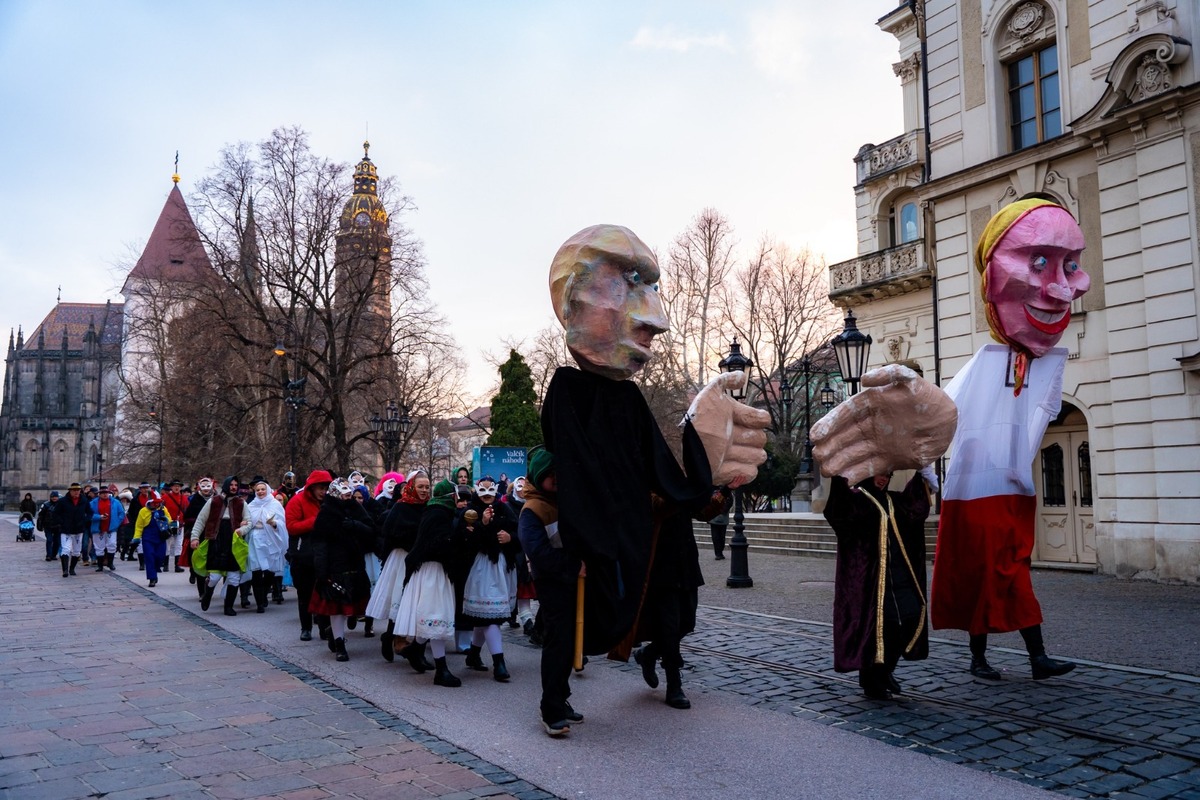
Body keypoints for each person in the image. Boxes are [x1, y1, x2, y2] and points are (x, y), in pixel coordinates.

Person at [541, 224, 770, 660]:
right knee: (563, 633)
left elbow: (665, 481)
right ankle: (556, 703)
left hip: (647, 562)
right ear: (573, 296)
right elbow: (584, 477)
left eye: (652, 286)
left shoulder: (627, 399)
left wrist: (705, 462)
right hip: (584, 561)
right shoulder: (568, 392)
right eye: (629, 283)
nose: (658, 320)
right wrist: (586, 546)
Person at [931, 196, 1087, 681]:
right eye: (1038, 262)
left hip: (1013, 490)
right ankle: (983, 658)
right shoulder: (982, 364)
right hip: (974, 494)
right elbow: (939, 417)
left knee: (1014, 573)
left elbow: (1043, 405)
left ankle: (1034, 657)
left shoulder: (1038, 367)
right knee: (985, 576)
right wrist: (928, 478)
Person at [823, 471, 934, 700]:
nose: (883, 479)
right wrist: (840, 475)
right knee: (878, 630)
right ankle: (873, 680)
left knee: (911, 616)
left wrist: (922, 472)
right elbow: (838, 512)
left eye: (887, 474)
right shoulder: (856, 498)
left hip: (899, 579)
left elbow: (915, 510)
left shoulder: (893, 500)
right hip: (869, 584)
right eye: (879, 474)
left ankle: (884, 671)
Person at [517, 449, 585, 736]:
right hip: (552, 583)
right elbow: (540, 554)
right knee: (558, 645)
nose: (557, 479)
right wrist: (573, 566)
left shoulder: (565, 501)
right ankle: (551, 708)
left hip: (571, 580)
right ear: (540, 475)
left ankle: (562, 696)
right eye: (551, 475)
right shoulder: (532, 510)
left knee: (569, 643)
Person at [393, 479, 465, 687]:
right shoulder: (438, 514)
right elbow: (437, 544)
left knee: (433, 617)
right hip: (433, 570)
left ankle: (415, 650)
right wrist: (459, 537)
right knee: (436, 617)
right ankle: (441, 671)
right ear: (451, 496)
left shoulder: (436, 511)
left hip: (433, 569)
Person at [308, 479, 377, 662]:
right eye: (345, 495)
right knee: (337, 608)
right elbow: (319, 544)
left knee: (352, 605)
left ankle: (335, 632)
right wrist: (322, 571)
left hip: (355, 564)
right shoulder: (326, 514)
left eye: (349, 494)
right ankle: (340, 644)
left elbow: (371, 529)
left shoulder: (356, 508)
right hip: (335, 567)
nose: (348, 498)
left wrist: (356, 525)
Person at [460, 476, 520, 681]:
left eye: (490, 490)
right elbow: (465, 541)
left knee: (484, 617)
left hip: (503, 568)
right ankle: (499, 663)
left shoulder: (504, 509)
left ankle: (474, 654)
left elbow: (519, 530)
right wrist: (483, 525)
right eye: (482, 490)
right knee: (490, 617)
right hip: (480, 569)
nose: (487, 495)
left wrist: (510, 538)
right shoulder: (468, 511)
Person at [367, 470, 430, 661]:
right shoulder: (400, 507)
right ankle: (393, 637)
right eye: (420, 487)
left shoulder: (430, 507)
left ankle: (414, 647)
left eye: (427, 487)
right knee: (400, 600)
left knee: (420, 603)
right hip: (402, 558)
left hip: (421, 560)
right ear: (412, 487)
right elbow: (389, 533)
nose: (424, 490)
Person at [189, 476, 250, 616]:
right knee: (215, 576)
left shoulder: (241, 503)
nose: (234, 487)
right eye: (232, 484)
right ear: (227, 485)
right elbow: (200, 521)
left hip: (233, 541)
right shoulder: (213, 501)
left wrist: (242, 530)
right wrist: (194, 537)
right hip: (216, 540)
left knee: (234, 577)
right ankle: (207, 594)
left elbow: (249, 521)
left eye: (236, 485)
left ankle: (228, 607)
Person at [285, 469, 333, 640]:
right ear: (312, 487)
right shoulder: (297, 501)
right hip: (302, 555)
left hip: (324, 555)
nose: (324, 492)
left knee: (323, 594)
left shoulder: (330, 502)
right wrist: (316, 521)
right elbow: (291, 526)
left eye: (326, 488)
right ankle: (305, 628)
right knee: (305, 594)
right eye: (321, 488)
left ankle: (325, 628)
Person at [241, 478, 289, 613]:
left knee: (269, 571)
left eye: (262, 489)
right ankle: (259, 603)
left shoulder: (275, 504)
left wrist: (274, 523)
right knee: (256, 571)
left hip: (270, 539)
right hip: (255, 540)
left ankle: (264, 593)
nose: (260, 492)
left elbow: (282, 522)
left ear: (267, 490)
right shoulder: (251, 505)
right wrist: (243, 524)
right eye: (258, 490)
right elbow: (247, 520)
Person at [133, 492, 173, 588]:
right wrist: (137, 537)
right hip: (148, 538)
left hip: (160, 537)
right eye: (155, 503)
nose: (157, 504)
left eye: (159, 502)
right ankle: (152, 578)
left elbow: (170, 520)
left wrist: (166, 520)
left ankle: (155, 569)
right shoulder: (143, 511)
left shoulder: (163, 509)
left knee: (160, 556)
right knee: (149, 557)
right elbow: (139, 526)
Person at [183, 478, 215, 598]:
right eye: (204, 487)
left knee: (211, 564)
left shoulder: (216, 500)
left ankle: (208, 588)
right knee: (200, 563)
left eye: (208, 487)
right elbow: (187, 518)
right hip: (199, 535)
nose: (206, 490)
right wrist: (198, 521)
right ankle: (202, 592)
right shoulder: (195, 500)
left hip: (212, 535)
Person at [54, 482, 92, 578]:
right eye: (74, 490)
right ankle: (65, 570)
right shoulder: (63, 501)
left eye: (78, 490)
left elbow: (90, 512)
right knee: (66, 549)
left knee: (77, 551)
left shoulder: (84, 500)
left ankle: (72, 569)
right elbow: (56, 513)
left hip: (79, 529)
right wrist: (61, 522)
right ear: (70, 491)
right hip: (66, 529)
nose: (76, 492)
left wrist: (85, 521)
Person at [89, 485, 126, 572]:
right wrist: (99, 517)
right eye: (102, 493)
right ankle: (100, 565)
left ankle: (110, 563)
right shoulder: (92, 503)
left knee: (112, 545)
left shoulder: (116, 502)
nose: (105, 495)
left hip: (111, 528)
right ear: (99, 494)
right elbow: (88, 514)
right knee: (99, 547)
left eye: (106, 493)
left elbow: (121, 514)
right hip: (98, 528)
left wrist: (116, 523)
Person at [161, 480, 189, 573]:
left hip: (180, 524)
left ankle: (177, 565)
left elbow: (187, 510)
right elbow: (161, 510)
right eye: (175, 486)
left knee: (178, 545)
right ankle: (165, 565)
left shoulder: (184, 498)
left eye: (178, 486)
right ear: (171, 487)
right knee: (167, 544)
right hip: (168, 524)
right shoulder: (165, 497)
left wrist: (185, 521)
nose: (177, 488)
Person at [37, 491, 62, 562]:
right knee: (49, 540)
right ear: (50, 497)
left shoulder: (61, 505)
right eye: (53, 497)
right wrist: (40, 525)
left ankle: (53, 555)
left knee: (57, 541)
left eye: (55, 497)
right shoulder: (46, 505)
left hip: (58, 526)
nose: (54, 498)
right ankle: (48, 555)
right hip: (48, 526)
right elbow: (40, 516)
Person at [708, 495, 730, 560]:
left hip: (723, 518)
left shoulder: (725, 491)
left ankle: (720, 551)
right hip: (713, 518)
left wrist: (723, 510)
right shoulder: (712, 490)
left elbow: (729, 501)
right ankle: (718, 553)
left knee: (722, 537)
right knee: (715, 537)